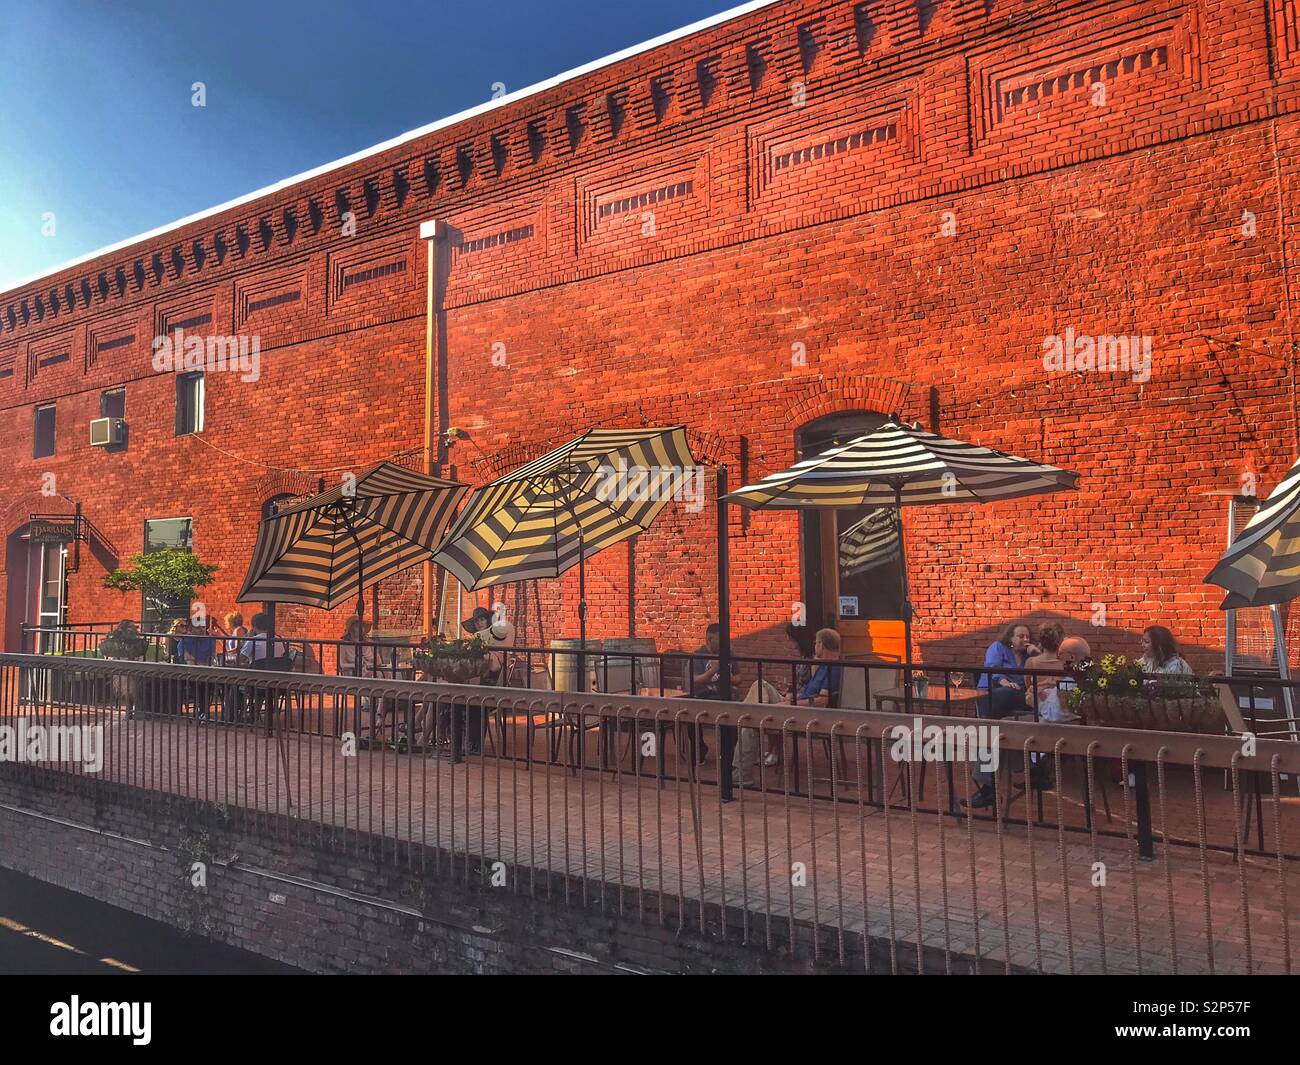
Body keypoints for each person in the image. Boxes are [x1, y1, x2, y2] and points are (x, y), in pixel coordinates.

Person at [976, 621, 1039, 719]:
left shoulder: (1028, 656)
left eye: (1028, 637)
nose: (1026, 640)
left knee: (1038, 695)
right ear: (1010, 638)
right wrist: (1005, 682)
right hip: (991, 692)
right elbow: (993, 669)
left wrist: (1037, 655)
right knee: (1009, 692)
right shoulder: (998, 647)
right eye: (1021, 636)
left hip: (1016, 694)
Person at [177, 619, 216, 722]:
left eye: (203, 627)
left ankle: (203, 712)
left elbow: (211, 658)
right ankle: (203, 712)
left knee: (207, 683)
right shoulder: (184, 641)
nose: (202, 630)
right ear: (191, 629)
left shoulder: (210, 640)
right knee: (199, 683)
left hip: (206, 671)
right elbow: (186, 658)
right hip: (189, 672)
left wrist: (202, 665)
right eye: (198, 628)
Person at [793, 628, 843, 707]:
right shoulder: (822, 665)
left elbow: (822, 701)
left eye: (816, 643)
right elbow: (808, 693)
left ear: (821, 645)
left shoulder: (834, 669)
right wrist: (793, 699)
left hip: (807, 711)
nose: (814, 646)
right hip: (800, 703)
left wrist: (793, 704)